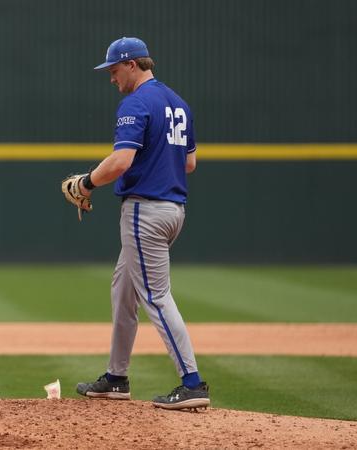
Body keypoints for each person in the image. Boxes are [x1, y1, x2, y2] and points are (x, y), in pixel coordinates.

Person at [73, 37, 210, 410]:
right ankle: (116, 378)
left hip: (144, 212)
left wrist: (85, 183)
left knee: (156, 296)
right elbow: (189, 163)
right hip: (173, 211)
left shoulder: (136, 102)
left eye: (114, 70)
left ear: (132, 64)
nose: (112, 78)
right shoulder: (178, 103)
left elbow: (121, 162)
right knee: (124, 290)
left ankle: (193, 383)